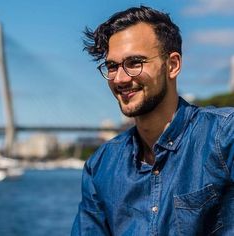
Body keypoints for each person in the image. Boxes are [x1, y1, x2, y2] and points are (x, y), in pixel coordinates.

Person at [71, 5, 234, 236]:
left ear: (173, 65)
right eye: (112, 66)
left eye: (134, 63)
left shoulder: (224, 137)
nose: (120, 78)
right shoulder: (101, 165)